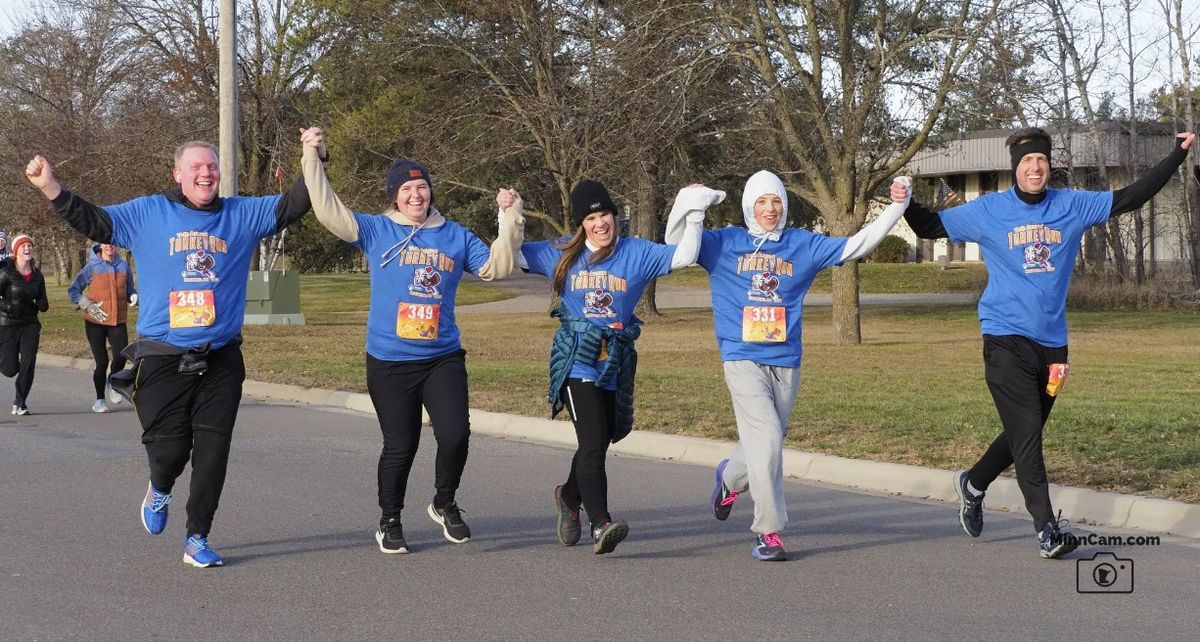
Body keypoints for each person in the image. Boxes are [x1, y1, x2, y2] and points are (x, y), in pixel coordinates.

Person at [895, 127, 1195, 559]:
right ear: (1015, 167)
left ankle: (973, 482)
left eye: (1040, 160)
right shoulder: (989, 210)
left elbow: (1132, 197)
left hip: (1053, 345)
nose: (1034, 168)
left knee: (1026, 430)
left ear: (1048, 165)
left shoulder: (1071, 204)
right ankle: (1047, 530)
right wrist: (903, 199)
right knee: (1029, 435)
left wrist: (1176, 156)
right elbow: (928, 226)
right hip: (1003, 336)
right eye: (1026, 161)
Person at [25, 141, 314, 568]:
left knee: (213, 452)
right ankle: (159, 487)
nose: (206, 173)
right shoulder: (147, 213)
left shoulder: (240, 215)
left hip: (220, 357)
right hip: (163, 356)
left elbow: (294, 203)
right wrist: (51, 187)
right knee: (170, 451)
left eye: (212, 166)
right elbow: (95, 221)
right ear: (177, 174)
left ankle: (197, 537)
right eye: (196, 166)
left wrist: (313, 156)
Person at [665, 170, 911, 561]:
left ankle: (730, 479)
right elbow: (676, 247)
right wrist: (690, 206)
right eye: (762, 202)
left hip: (786, 361)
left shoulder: (801, 245)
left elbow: (856, 245)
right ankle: (769, 532)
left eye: (776, 201)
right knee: (766, 439)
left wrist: (898, 207)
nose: (770, 209)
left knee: (767, 440)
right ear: (749, 205)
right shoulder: (723, 242)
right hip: (741, 357)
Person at [300, 126, 524, 555]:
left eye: (422, 187)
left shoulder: (454, 235)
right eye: (407, 189)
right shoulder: (376, 230)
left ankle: (444, 502)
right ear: (395, 196)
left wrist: (509, 218)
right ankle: (390, 520)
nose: (416, 195)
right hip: (389, 360)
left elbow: (497, 267)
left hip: (442, 356)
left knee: (456, 435)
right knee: (400, 446)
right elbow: (328, 211)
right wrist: (313, 156)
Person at [506, 178, 720, 555]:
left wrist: (697, 212)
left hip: (614, 360)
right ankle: (600, 523)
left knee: (600, 440)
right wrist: (511, 214)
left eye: (604, 214)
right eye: (591, 218)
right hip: (576, 359)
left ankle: (569, 497)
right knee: (592, 442)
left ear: (614, 216)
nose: (599, 223)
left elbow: (684, 255)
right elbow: (514, 255)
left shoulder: (635, 252)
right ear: (581, 224)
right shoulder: (561, 253)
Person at [68, 242, 139, 413]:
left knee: (121, 356)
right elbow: (73, 291)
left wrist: (134, 296)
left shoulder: (123, 266)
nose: (110, 246)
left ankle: (113, 383)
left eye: (113, 243)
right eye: (106, 244)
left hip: (117, 321)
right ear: (100, 246)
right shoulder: (91, 267)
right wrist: (86, 305)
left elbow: (129, 289)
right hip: (95, 323)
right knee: (102, 363)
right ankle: (99, 400)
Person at [0, 234, 49, 416]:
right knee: (10, 369)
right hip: (8, 324)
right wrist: (8, 306)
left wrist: (43, 305)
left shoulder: (38, 275)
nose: (27, 248)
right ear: (16, 251)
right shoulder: (6, 273)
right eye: (23, 246)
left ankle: (20, 402)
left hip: (30, 324)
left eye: (29, 245)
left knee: (28, 364)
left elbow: (43, 299)